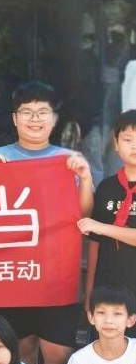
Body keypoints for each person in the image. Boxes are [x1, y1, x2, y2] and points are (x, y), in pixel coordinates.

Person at [0, 82, 94, 364]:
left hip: (57, 271)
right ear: (15, 118)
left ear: (54, 119)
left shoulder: (67, 160)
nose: (35, 119)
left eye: (42, 112)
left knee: (58, 354)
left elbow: (85, 216)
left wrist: (85, 177)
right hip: (15, 272)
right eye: (27, 112)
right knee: (22, 350)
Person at [78, 110, 136, 322]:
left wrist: (101, 227)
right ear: (116, 143)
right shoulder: (106, 187)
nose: (134, 146)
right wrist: (89, 295)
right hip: (108, 291)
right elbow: (95, 244)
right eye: (128, 139)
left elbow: (97, 229)